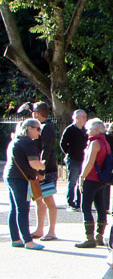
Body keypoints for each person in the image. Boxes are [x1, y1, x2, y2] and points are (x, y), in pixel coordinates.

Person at [3, 119, 46, 250]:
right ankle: (28, 241)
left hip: (11, 176)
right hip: (20, 179)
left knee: (14, 208)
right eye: (37, 129)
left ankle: (16, 238)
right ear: (28, 128)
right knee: (23, 209)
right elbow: (34, 163)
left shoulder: (15, 141)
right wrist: (43, 166)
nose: (40, 132)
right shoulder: (27, 142)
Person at [75, 118, 112, 248]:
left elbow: (89, 162)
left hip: (91, 178)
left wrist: (82, 177)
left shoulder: (94, 143)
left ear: (96, 130)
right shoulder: (106, 143)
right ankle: (99, 236)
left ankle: (89, 237)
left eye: (89, 129)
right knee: (100, 207)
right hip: (101, 179)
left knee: (85, 207)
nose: (87, 131)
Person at [30, 102, 59, 240]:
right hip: (39, 168)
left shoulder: (47, 127)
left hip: (47, 169)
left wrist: (42, 169)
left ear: (37, 113)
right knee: (38, 199)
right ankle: (39, 229)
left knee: (48, 199)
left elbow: (46, 149)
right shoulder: (42, 126)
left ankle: (51, 231)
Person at [60, 109, 88, 211]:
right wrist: (69, 152)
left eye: (85, 116)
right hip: (73, 159)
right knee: (72, 181)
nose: (85, 119)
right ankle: (70, 202)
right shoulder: (70, 129)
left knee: (81, 181)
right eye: (83, 116)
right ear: (76, 118)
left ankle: (79, 202)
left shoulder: (85, 131)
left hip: (83, 159)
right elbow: (63, 143)